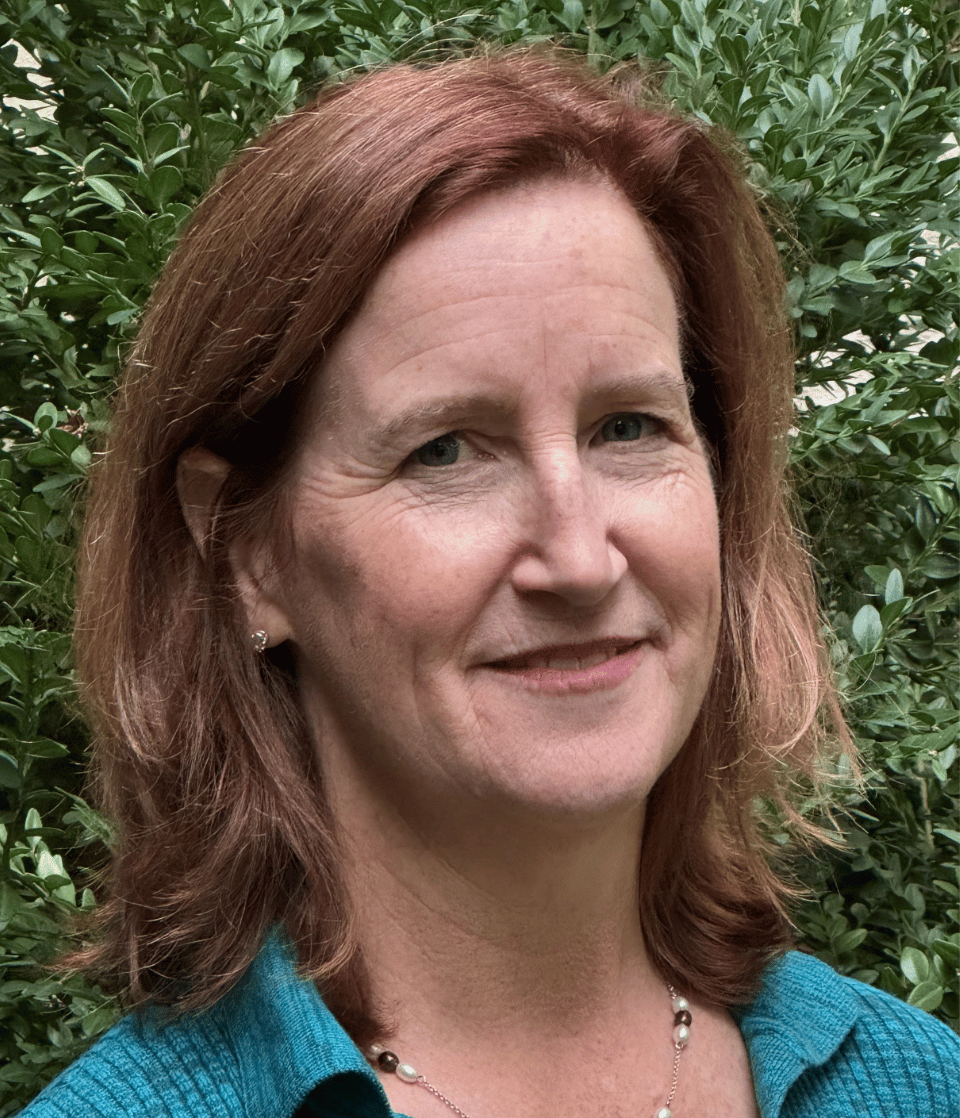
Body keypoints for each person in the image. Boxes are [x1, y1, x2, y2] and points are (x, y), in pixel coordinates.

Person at [21, 46, 957, 1118]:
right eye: (446, 451)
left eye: (628, 426)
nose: (580, 558)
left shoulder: (915, 1085)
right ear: (245, 552)